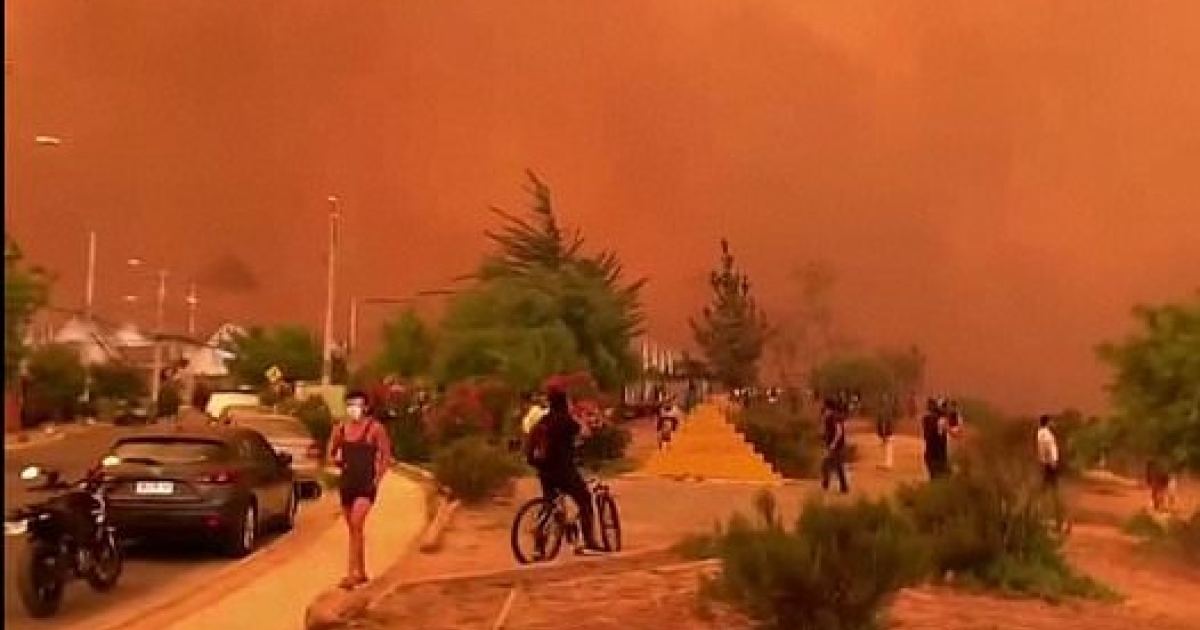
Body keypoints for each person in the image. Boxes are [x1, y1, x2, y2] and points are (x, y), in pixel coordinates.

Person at [326, 390, 393, 589]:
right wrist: (336, 462)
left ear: (365, 406)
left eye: (357, 404)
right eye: (350, 405)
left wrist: (377, 479)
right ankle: (361, 571)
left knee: (356, 522)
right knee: (354, 530)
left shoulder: (375, 429)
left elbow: (385, 455)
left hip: (366, 484)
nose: (353, 409)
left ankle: (351, 574)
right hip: (347, 483)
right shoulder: (340, 429)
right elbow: (330, 453)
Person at [529, 387, 604, 554]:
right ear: (564, 403)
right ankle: (589, 540)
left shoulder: (544, 420)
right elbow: (585, 433)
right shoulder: (566, 420)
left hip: (544, 471)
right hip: (564, 471)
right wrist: (580, 419)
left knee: (549, 505)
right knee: (585, 499)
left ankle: (539, 547)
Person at [820, 398, 850, 494]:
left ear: (828, 407)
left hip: (837, 446)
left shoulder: (834, 417)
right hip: (836, 445)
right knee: (837, 466)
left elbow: (839, 431)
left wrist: (833, 443)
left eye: (824, 406)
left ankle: (826, 485)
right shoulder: (831, 417)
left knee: (827, 464)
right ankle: (843, 487)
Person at [921, 398, 952, 480]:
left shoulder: (926, 419)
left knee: (935, 477)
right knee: (939, 478)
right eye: (944, 407)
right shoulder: (940, 420)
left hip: (931, 454)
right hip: (937, 455)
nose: (946, 409)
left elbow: (927, 436)